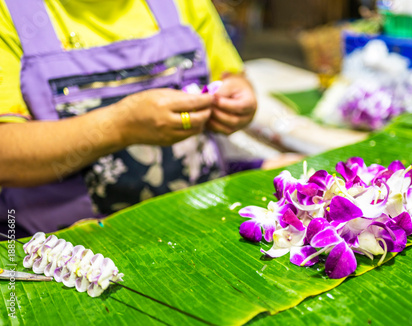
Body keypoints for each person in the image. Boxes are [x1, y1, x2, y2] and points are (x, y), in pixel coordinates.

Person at [0, 0, 267, 236]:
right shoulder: (9, 12)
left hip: (202, 217)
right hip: (71, 246)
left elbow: (230, 77)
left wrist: (237, 100)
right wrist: (120, 126)